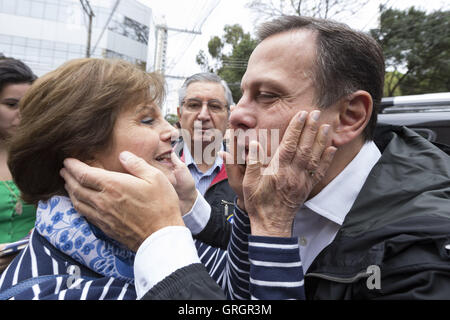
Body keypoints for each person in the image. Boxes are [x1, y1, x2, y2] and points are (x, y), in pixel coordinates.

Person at [60, 15, 450, 300]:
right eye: (243, 94)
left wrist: (161, 243)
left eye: (268, 96)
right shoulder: (287, 188)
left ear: (349, 117)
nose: (238, 114)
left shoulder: (421, 262)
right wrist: (237, 212)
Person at [0, 58, 249, 300]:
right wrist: (160, 236)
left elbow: (241, 287)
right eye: (147, 120)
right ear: (84, 152)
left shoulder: (155, 233)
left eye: (215, 106)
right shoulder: (47, 291)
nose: (173, 133)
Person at [175, 73, 236, 248]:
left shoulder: (245, 173)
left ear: (229, 117)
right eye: (193, 105)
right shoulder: (158, 168)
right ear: (180, 114)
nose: (203, 115)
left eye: (215, 106)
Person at [0, 57, 37, 250]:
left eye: (27, 105)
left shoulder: (42, 157)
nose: (21, 113)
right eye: (11, 104)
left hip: (30, 273)